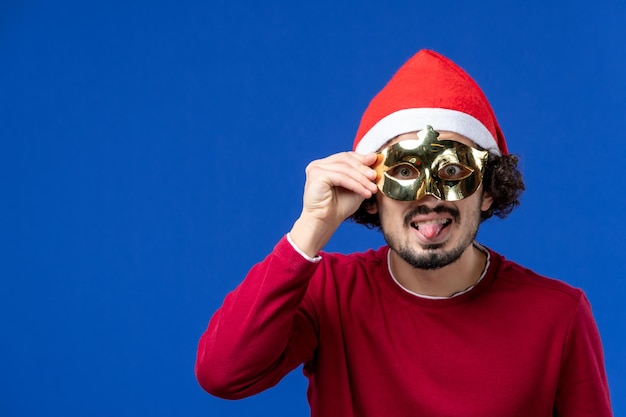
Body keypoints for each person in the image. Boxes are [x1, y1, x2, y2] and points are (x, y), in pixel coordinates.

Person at [195, 49, 613, 416]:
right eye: (405, 172)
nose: (429, 198)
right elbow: (222, 375)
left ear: (488, 191)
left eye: (452, 171)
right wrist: (311, 228)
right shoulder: (329, 294)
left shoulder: (559, 314)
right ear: (371, 193)